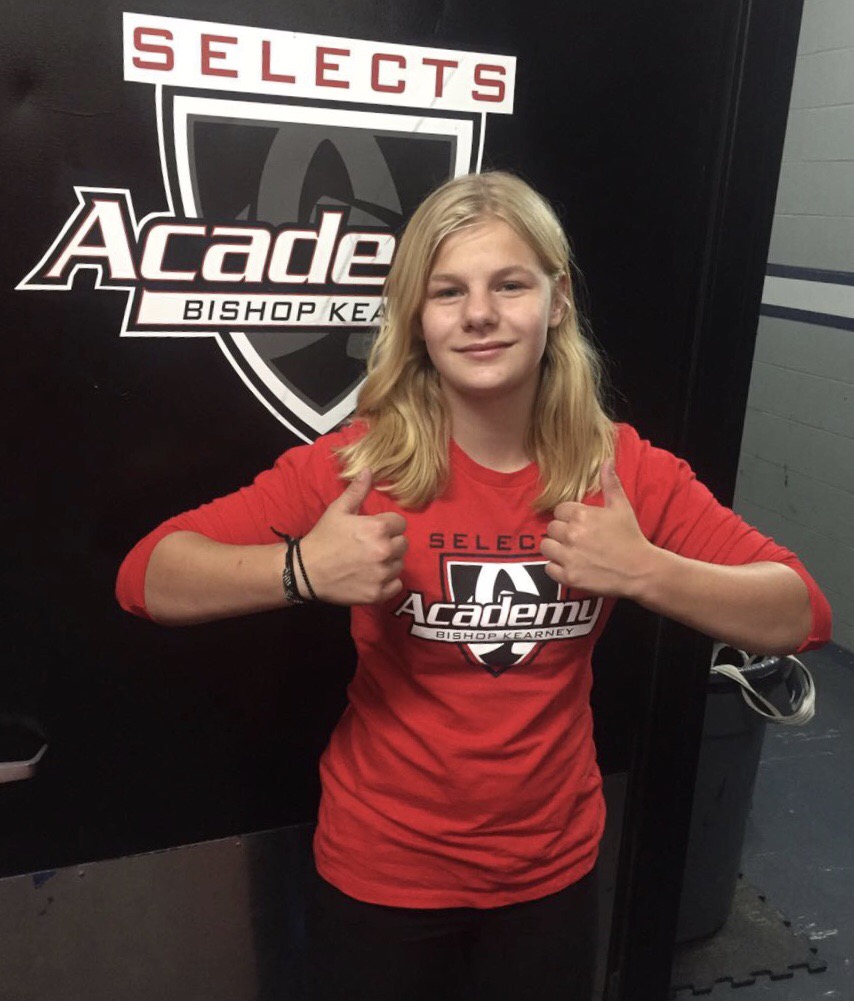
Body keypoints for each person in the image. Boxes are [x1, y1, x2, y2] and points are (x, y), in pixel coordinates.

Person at [116, 171, 831, 1001]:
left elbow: (802, 611)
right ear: (417, 318)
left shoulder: (620, 470)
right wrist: (301, 569)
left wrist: (646, 569)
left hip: (549, 870)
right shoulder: (360, 464)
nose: (479, 313)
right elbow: (146, 575)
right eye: (448, 290)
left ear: (557, 301)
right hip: (383, 866)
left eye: (510, 284)